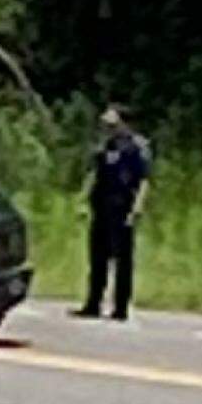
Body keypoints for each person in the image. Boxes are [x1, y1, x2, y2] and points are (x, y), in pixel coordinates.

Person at [72, 104, 152, 321]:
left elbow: (144, 180)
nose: (107, 128)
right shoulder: (106, 146)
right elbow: (95, 173)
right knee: (97, 257)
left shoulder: (137, 147)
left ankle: (120, 307)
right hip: (101, 206)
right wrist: (83, 199)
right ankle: (93, 303)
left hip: (123, 206)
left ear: (125, 124)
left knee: (122, 260)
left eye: (112, 124)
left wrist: (137, 208)